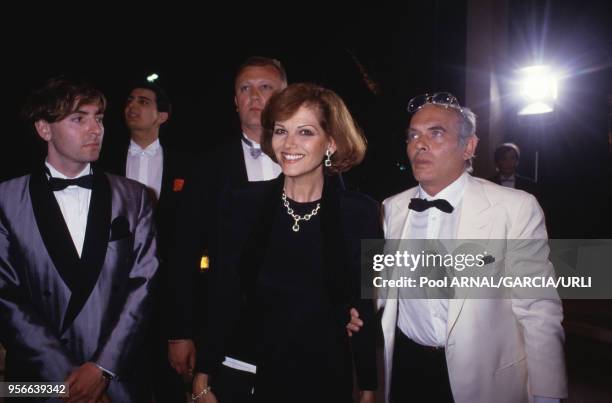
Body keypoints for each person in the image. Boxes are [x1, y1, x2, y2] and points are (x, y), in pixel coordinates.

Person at [191, 83, 380, 403]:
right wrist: (203, 375)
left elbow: (364, 306)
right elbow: (224, 293)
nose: (289, 144)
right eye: (281, 130)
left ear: (331, 142)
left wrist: (368, 387)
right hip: (251, 373)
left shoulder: (360, 213)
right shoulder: (243, 205)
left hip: (326, 377)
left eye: (305, 132)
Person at [376, 92, 567, 403]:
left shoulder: (514, 207)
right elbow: (383, 291)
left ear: (469, 147)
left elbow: (538, 309)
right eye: (413, 135)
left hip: (485, 380)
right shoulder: (392, 208)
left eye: (435, 133)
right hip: (406, 372)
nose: (419, 144)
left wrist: (547, 393)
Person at [0, 77, 158, 402]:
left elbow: (144, 286)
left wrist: (101, 369)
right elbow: (6, 297)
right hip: (38, 384)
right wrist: (68, 383)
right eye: (78, 119)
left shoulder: (134, 197)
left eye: (98, 118)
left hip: (118, 379)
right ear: (44, 129)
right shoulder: (5, 199)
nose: (95, 129)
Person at [167, 56, 288, 379]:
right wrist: (179, 331)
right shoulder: (207, 168)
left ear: (285, 97)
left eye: (265, 87)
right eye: (245, 88)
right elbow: (183, 252)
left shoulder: (317, 161)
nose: (254, 96)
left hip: (302, 336)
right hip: (227, 338)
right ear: (235, 101)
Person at [100, 80, 191, 401]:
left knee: (167, 384)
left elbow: (187, 239)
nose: (132, 106)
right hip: (113, 292)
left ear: (162, 116)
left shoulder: (185, 164)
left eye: (143, 100)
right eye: (129, 100)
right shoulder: (102, 161)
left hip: (166, 293)